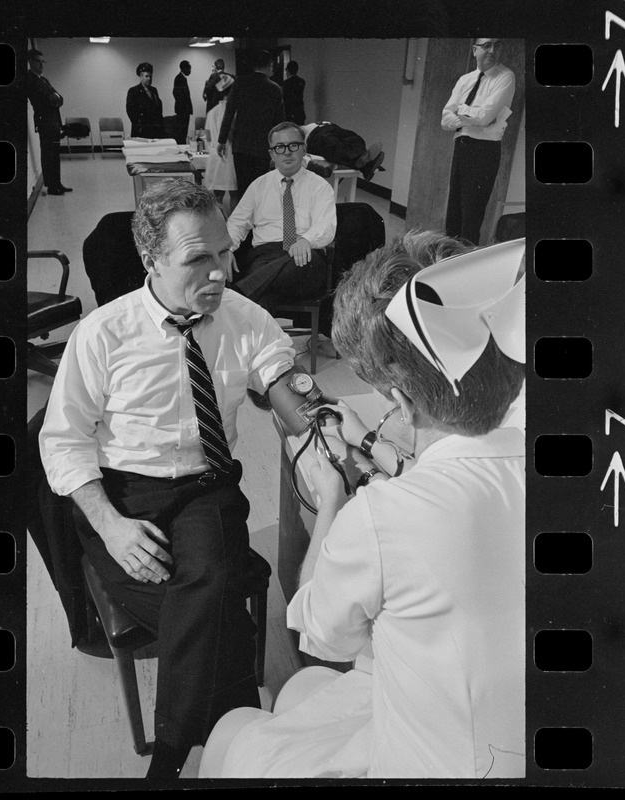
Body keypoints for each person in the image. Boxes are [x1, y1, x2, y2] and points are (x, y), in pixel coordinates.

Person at [199, 231, 527, 779]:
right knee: (307, 691)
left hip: (434, 759)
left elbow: (320, 633)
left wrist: (332, 500)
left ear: (400, 401)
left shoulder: (382, 517)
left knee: (237, 733)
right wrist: (377, 448)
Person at [39, 180, 297, 783]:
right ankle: (242, 727)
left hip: (205, 485)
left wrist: (317, 416)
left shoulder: (242, 317)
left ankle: (172, 755)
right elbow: (63, 440)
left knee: (205, 574)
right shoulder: (103, 333)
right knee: (219, 599)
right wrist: (111, 525)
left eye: (225, 252)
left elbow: (281, 373)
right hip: (126, 492)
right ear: (152, 261)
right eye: (197, 259)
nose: (220, 274)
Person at [226, 121, 337, 318]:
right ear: (271, 154)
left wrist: (306, 240)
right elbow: (237, 223)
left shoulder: (320, 187)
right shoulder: (258, 186)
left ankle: (236, 295)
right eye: (279, 147)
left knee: (288, 268)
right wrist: (226, 249)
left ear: (304, 149)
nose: (287, 152)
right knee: (264, 298)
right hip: (266, 257)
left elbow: (326, 224)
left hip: (304, 258)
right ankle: (263, 345)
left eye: (293, 145)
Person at [442, 38, 516, 245]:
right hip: (462, 147)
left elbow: (485, 116)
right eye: (486, 45)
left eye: (497, 45)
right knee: (454, 213)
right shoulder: (464, 80)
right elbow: (445, 120)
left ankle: (465, 267)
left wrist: (462, 111)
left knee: (471, 217)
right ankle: (447, 262)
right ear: (475, 50)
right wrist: (473, 116)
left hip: (484, 151)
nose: (492, 50)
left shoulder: (505, 77)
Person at [217, 50, 285, 196]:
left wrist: (222, 140)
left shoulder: (240, 83)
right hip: (262, 148)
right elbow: (279, 124)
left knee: (243, 190)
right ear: (269, 65)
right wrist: (278, 149)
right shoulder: (275, 89)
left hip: (241, 146)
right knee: (260, 190)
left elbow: (229, 113)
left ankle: (244, 218)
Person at [25, 49, 71, 195]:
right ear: (30, 62)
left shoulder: (43, 80)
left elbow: (60, 98)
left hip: (53, 121)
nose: (41, 65)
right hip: (45, 122)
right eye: (38, 61)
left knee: (55, 154)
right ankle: (51, 186)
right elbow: (48, 99)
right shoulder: (30, 80)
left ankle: (57, 183)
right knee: (48, 154)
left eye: (42, 61)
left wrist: (54, 97)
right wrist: (54, 97)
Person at [302, 122, 385, 182]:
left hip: (325, 129)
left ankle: (364, 161)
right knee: (335, 145)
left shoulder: (296, 129)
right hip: (317, 134)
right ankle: (364, 162)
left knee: (356, 141)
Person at [203, 74, 238, 213]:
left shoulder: (212, 112)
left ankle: (220, 226)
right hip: (232, 159)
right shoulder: (236, 111)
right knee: (235, 195)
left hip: (216, 158)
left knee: (217, 198)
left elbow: (208, 137)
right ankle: (235, 228)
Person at [126, 62, 165, 139]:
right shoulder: (134, 91)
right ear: (141, 77)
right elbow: (130, 110)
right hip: (141, 130)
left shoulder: (154, 90)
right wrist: (138, 124)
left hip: (155, 129)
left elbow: (158, 108)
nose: (149, 79)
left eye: (150, 76)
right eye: (146, 76)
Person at [173, 60, 193, 145]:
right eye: (189, 69)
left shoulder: (181, 78)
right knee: (182, 132)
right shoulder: (179, 79)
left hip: (183, 110)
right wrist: (185, 107)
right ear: (184, 68)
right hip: (182, 110)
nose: (190, 71)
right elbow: (176, 93)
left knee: (183, 132)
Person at [282, 61, 305, 125]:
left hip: (289, 113)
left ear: (288, 70)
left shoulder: (285, 83)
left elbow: (285, 98)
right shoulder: (302, 82)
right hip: (299, 111)